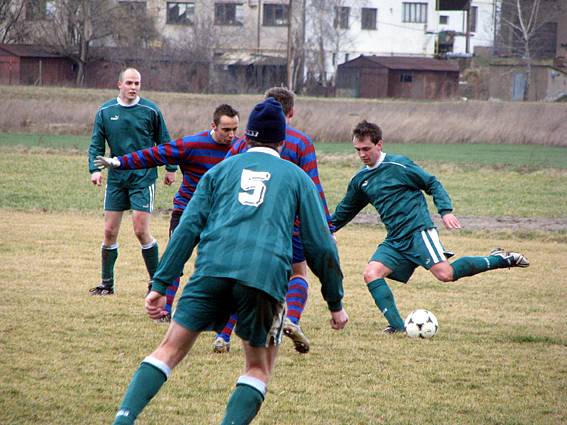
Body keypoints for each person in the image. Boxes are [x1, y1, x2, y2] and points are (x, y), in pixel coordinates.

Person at [111, 98, 349, 425]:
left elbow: (187, 229)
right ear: (283, 140)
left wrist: (160, 285)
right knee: (257, 367)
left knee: (168, 350)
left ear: (246, 137)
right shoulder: (297, 179)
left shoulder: (219, 172)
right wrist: (335, 302)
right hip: (263, 278)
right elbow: (321, 246)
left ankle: (123, 419)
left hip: (211, 270)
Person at [331, 120, 529, 334]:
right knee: (371, 273)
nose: (362, 154)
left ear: (379, 145)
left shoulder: (400, 165)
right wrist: (323, 230)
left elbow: (432, 183)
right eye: (357, 150)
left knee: (445, 274)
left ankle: (500, 259)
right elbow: (345, 211)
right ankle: (398, 328)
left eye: (366, 149)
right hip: (395, 239)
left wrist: (445, 210)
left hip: (419, 232)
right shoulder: (361, 180)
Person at [214, 86, 334, 354]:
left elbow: (224, 177)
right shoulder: (301, 142)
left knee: (241, 277)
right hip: (289, 225)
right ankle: (291, 319)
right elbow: (313, 187)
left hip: (247, 220)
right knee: (298, 273)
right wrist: (327, 226)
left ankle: (223, 335)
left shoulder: (244, 142)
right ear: (291, 113)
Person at [94, 104, 240, 320]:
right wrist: (119, 162)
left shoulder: (240, 149)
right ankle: (164, 312)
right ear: (214, 126)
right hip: (186, 212)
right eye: (226, 129)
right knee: (175, 263)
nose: (232, 135)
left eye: (235, 129)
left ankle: (216, 315)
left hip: (220, 215)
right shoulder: (192, 144)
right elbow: (155, 154)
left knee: (220, 265)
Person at [87, 68, 177, 296]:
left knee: (140, 230)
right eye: (129, 83)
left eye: (137, 83)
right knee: (109, 231)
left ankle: (155, 285)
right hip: (117, 178)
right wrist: (95, 170)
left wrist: (171, 168)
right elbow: (96, 144)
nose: (133, 87)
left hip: (143, 177)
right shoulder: (106, 111)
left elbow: (165, 142)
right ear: (119, 84)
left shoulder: (150, 110)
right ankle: (107, 284)